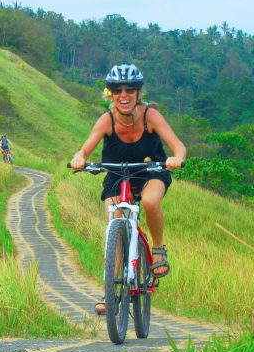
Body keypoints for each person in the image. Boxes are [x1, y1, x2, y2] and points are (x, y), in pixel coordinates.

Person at [69, 63, 186, 315]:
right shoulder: (106, 120)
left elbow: (178, 145)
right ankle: (110, 291)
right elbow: (85, 148)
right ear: (110, 93)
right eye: (117, 90)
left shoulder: (150, 116)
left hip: (150, 172)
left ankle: (157, 250)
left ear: (138, 92)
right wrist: (79, 158)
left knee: (150, 203)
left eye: (130, 90)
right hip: (116, 176)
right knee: (115, 222)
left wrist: (176, 158)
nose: (124, 95)